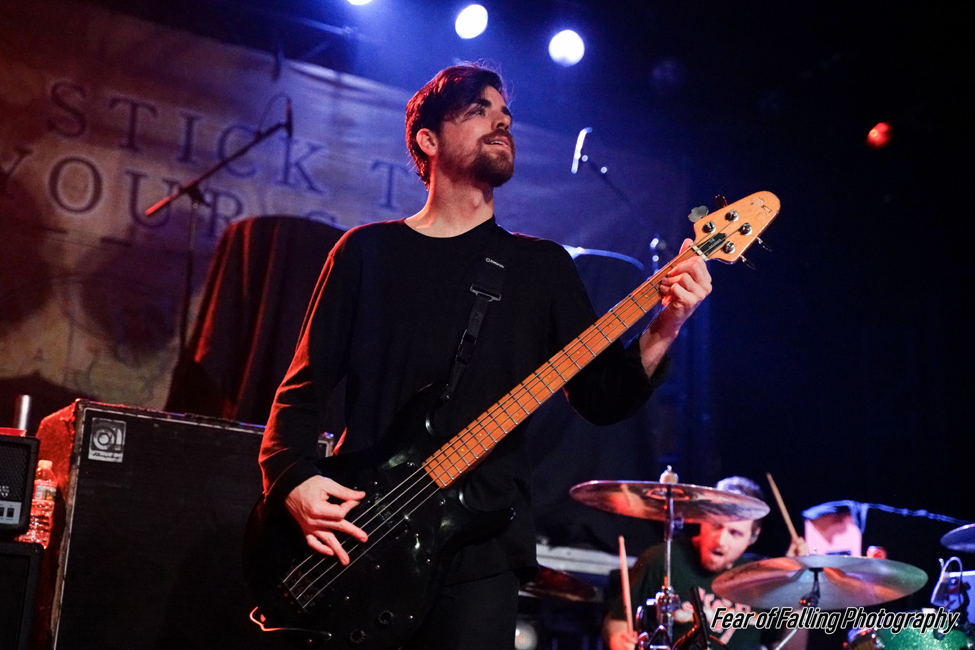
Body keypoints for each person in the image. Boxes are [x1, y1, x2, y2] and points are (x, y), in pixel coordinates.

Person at [258, 63, 712, 650]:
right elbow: (302, 392)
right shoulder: (365, 253)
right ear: (428, 140)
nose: (502, 122)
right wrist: (291, 480)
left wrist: (667, 322)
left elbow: (603, 399)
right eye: (478, 111)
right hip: (363, 529)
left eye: (505, 115)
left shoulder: (541, 268)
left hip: (481, 548)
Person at [603, 477, 809, 650]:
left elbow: (791, 647)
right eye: (716, 525)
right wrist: (618, 640)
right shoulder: (660, 559)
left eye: (735, 533)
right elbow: (617, 622)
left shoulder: (759, 577)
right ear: (702, 519)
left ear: (753, 537)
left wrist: (799, 585)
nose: (720, 541)